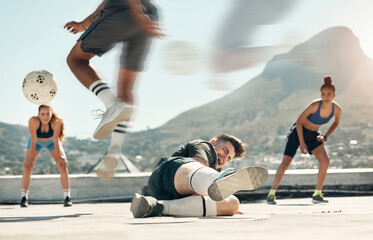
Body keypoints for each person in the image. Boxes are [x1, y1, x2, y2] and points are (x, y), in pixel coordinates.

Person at [64, 0, 164, 177]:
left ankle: (112, 104)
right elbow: (102, 7)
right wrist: (82, 24)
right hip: (150, 15)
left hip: (125, 11)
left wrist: (136, 12)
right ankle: (114, 150)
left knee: (76, 60)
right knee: (125, 88)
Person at [130, 134, 268, 218]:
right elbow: (197, 167)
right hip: (168, 175)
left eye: (229, 158)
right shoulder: (205, 146)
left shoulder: (214, 169)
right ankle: (218, 179)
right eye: (224, 150)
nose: (224, 157)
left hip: (169, 197)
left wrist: (224, 208)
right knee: (203, 176)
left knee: (233, 204)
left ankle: (154, 207)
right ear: (214, 142)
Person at [267, 76, 342, 204]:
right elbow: (299, 122)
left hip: (313, 135)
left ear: (334, 95)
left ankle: (317, 194)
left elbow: (336, 122)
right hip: (298, 133)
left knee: (325, 161)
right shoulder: (314, 105)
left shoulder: (337, 109)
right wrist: (301, 143)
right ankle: (271, 194)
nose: (326, 97)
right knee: (285, 163)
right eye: (323, 94)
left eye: (329, 94)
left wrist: (325, 136)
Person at [21, 105, 72, 207]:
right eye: (42, 114)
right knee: (28, 165)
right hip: (36, 143)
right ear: (38, 115)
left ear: (51, 114)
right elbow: (34, 140)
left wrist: (60, 157)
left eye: (48, 114)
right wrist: (30, 158)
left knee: (63, 165)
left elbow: (55, 141)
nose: (45, 117)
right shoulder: (33, 121)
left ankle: (67, 197)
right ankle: (24, 197)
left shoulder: (56, 122)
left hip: (52, 143)